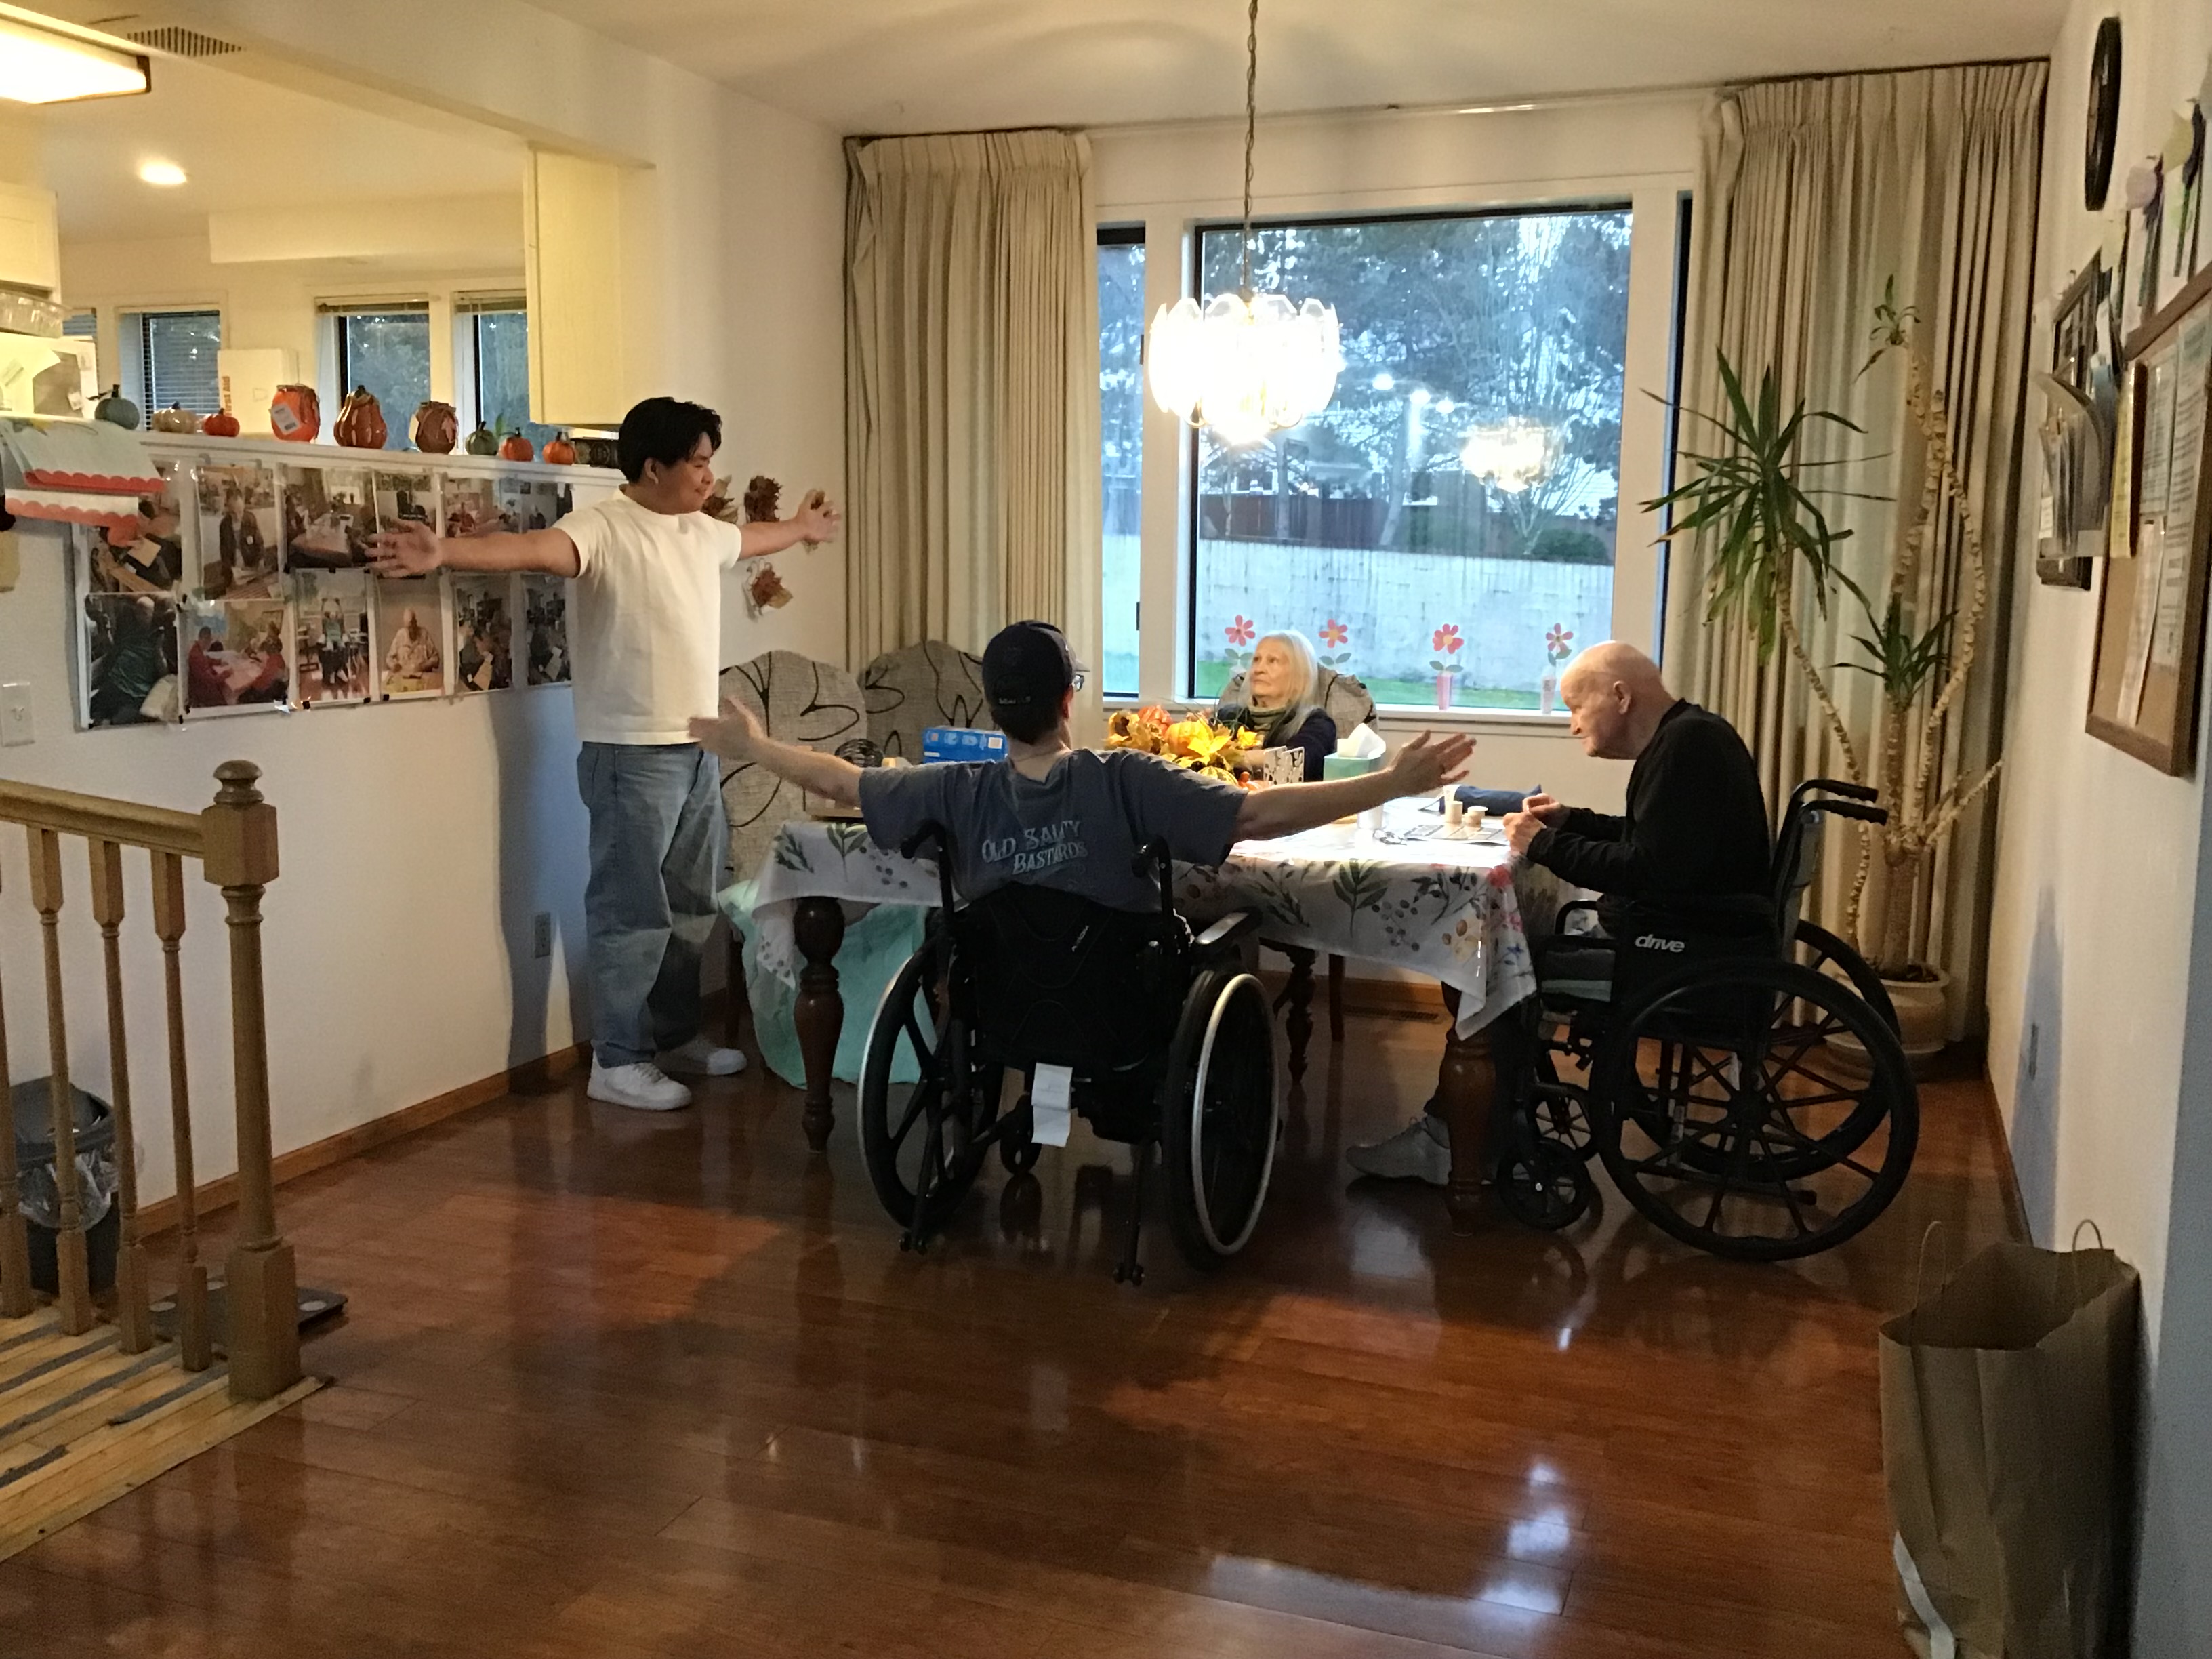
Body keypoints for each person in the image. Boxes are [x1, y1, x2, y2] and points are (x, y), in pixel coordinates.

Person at [373, 396, 841, 1112]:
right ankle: (617, 1060)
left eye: (711, 463)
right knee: (632, 911)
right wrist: (444, 552)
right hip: (628, 753)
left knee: (690, 905)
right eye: (698, 463)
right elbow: (526, 552)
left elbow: (751, 539)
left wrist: (804, 528)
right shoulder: (600, 528)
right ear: (653, 467)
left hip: (697, 747)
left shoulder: (699, 532)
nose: (708, 478)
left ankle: (672, 1034)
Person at [687, 620, 1473, 918]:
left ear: (988, 706)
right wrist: (1394, 783)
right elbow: (1256, 816)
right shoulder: (1126, 777)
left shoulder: (950, 788)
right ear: (1069, 700)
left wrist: (754, 749)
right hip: (1115, 991)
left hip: (998, 990)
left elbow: (840, 782)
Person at [1347, 640, 1771, 1185]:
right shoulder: (1690, 736)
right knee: (1517, 952)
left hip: (1679, 953)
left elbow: (1649, 869)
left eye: (1576, 707)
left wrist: (1542, 845)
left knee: (1503, 969)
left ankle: (1451, 1142)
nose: (1572, 726)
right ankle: (1489, 1129)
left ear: (1619, 696)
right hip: (1700, 934)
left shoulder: (1686, 748)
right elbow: (1654, 841)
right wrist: (1570, 820)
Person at [1217, 630, 1337, 781]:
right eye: (1256, 660)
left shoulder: (1317, 723)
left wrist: (1232, 756)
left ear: (1299, 676)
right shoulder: (1228, 717)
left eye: (1272, 661)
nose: (1258, 669)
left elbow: (1297, 760)